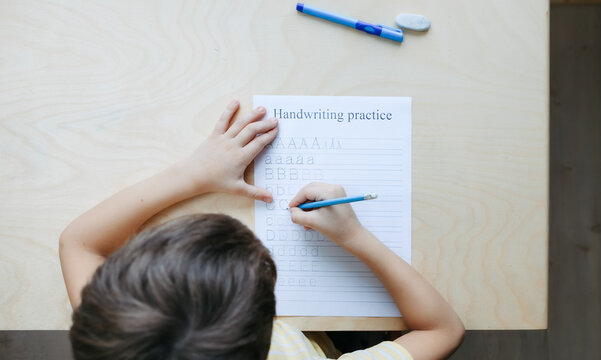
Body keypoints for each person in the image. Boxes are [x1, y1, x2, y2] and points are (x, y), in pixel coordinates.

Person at [59, 100, 465, 360]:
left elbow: (78, 242)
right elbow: (443, 329)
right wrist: (356, 238)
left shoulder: (118, 338)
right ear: (266, 329)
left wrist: (194, 173)